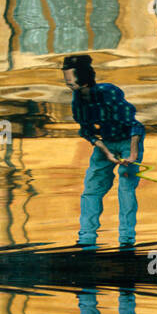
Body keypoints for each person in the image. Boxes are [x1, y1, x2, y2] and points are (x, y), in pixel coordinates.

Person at [62, 53, 145, 248]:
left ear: (84, 81)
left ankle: (126, 240)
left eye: (70, 80)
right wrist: (106, 152)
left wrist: (132, 154)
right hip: (106, 143)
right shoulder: (77, 100)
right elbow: (87, 131)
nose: (67, 83)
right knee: (92, 189)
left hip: (128, 141)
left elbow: (135, 126)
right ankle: (87, 239)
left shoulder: (109, 92)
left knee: (125, 187)